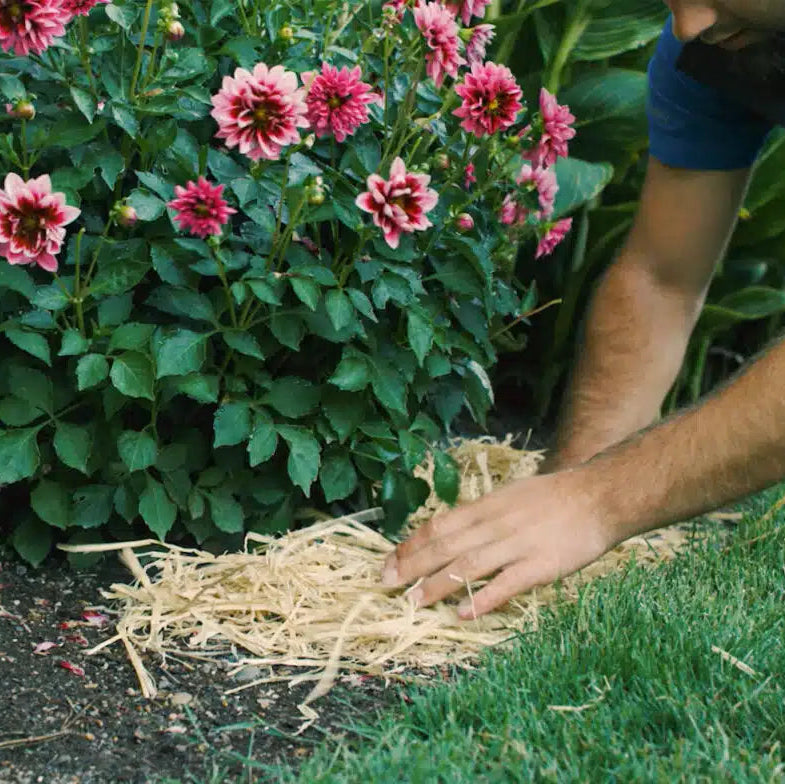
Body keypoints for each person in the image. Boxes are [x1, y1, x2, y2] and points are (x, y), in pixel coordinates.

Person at [380, 0, 785, 619]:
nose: (688, 23)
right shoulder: (715, 46)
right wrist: (566, 490)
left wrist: (599, 500)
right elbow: (661, 279)